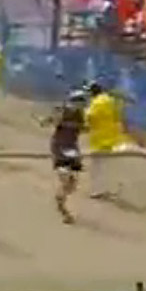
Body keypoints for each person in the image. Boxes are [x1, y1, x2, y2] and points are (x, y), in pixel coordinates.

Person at [40, 90, 88, 224]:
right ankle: (63, 209)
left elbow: (84, 128)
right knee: (65, 177)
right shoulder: (62, 111)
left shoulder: (80, 114)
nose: (82, 105)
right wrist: (52, 119)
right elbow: (50, 121)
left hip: (72, 147)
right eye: (80, 102)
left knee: (73, 184)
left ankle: (61, 198)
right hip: (59, 147)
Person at [84, 82, 127, 200]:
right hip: (112, 138)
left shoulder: (96, 103)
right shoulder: (112, 101)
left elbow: (89, 117)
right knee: (107, 165)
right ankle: (107, 188)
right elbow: (118, 117)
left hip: (99, 139)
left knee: (96, 166)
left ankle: (96, 190)